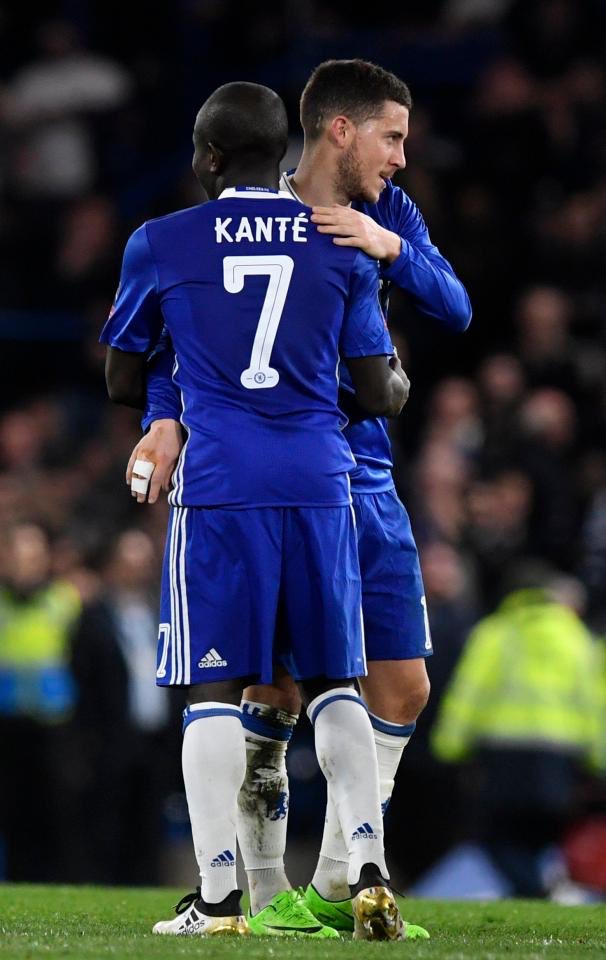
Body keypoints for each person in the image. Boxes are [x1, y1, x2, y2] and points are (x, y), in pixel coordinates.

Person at [130, 58, 470, 935]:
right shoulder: (258, 213)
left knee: (401, 686)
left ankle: (331, 879)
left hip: (360, 475)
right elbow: (180, 344)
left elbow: (456, 305)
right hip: (307, 470)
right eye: (391, 137)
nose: (401, 157)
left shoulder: (389, 215)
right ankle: (274, 891)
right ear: (339, 130)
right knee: (277, 690)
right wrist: (165, 418)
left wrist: (391, 248)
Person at [431, 566, 600, 897]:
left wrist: (449, 746)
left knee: (496, 837)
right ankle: (538, 891)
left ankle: (534, 891)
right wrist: (596, 760)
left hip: (504, 754)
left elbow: (468, 692)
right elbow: (592, 701)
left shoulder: (495, 633)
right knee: (540, 835)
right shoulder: (576, 637)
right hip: (559, 756)